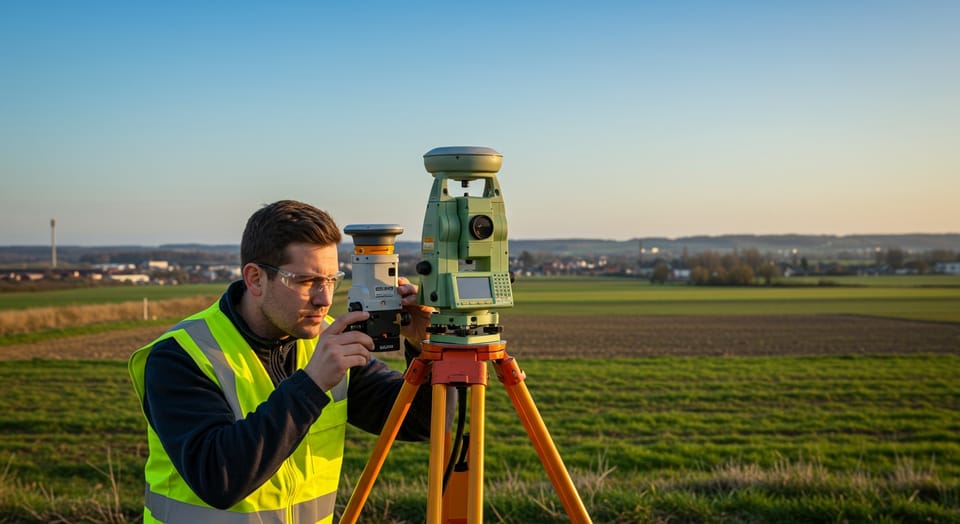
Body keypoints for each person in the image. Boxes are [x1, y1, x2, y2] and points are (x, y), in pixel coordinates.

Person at [128, 200, 438, 523]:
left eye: (332, 280)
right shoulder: (182, 355)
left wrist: (425, 348)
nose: (325, 299)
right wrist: (312, 385)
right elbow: (219, 479)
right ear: (255, 279)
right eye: (306, 282)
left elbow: (424, 421)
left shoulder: (325, 342)